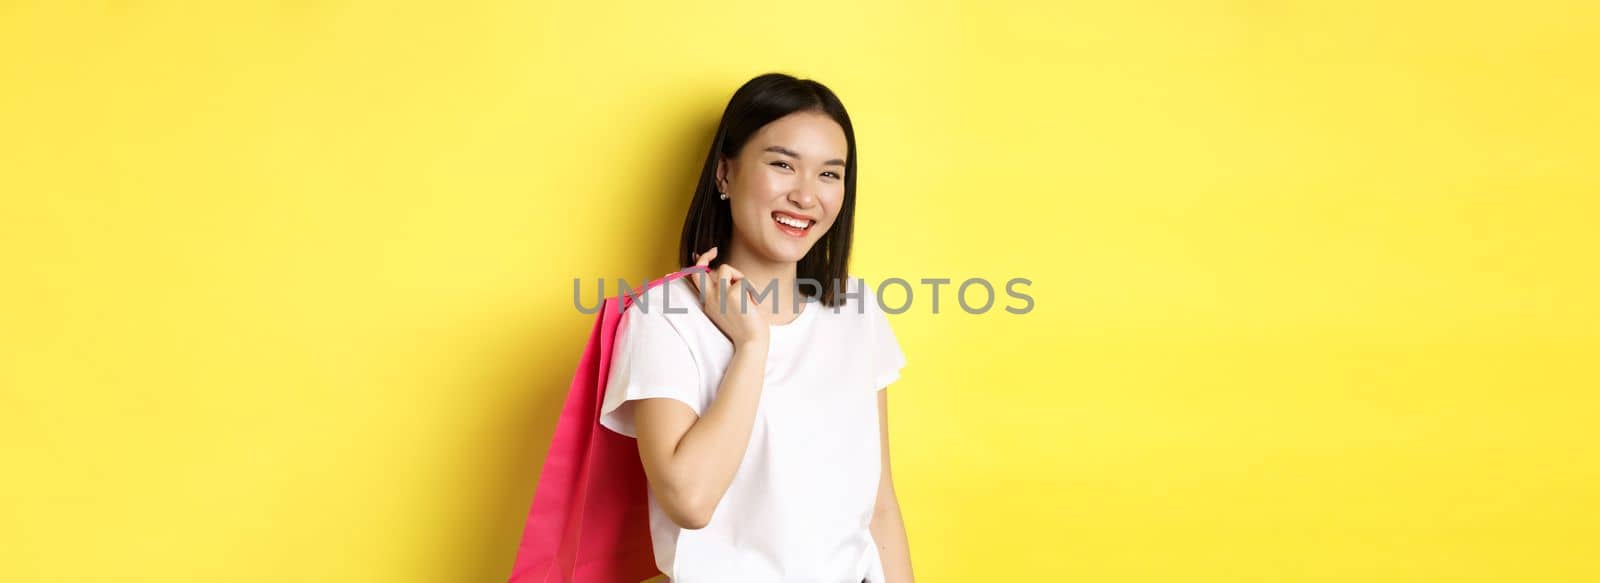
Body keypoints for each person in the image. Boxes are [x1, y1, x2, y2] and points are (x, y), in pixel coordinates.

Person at [597, 72, 914, 583]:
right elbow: (690, 502)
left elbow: (878, 508)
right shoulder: (663, 317)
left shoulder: (856, 311)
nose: (806, 196)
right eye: (783, 165)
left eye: (830, 174)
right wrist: (751, 345)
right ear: (724, 174)